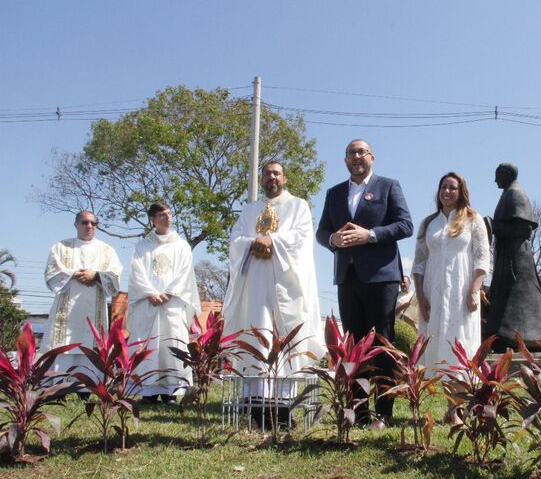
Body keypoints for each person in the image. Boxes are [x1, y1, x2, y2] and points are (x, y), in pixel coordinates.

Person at [316, 139, 413, 428]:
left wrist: (369, 235)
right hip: (347, 277)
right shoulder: (334, 194)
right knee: (354, 346)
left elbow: (405, 225)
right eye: (350, 153)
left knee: (383, 344)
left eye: (361, 152)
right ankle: (358, 411)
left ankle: (383, 412)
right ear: (345, 160)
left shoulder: (389, 186)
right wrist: (332, 240)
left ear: (372, 156)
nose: (356, 157)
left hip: (382, 277)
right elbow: (322, 230)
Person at [223, 161, 325, 379]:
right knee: (255, 329)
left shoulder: (299, 206)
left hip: (286, 283)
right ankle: (255, 395)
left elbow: (302, 237)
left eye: (276, 173)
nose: (272, 177)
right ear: (262, 179)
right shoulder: (250, 210)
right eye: (267, 173)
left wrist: (272, 241)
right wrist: (253, 243)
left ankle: (285, 396)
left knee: (287, 332)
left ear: (284, 178)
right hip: (256, 283)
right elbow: (235, 240)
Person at [412, 172, 489, 375]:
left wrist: (474, 290)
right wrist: (420, 297)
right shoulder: (428, 223)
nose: (447, 191)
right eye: (443, 187)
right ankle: (449, 404)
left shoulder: (473, 219)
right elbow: (419, 262)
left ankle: (460, 402)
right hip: (433, 293)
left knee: (460, 345)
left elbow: (483, 258)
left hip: (462, 291)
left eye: (452, 188)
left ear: (461, 192)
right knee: (436, 344)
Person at [127, 203, 200, 404]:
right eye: (162, 215)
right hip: (148, 303)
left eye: (169, 213)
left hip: (172, 303)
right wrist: (150, 292)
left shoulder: (181, 245)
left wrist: (169, 293)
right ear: (153, 219)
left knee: (172, 343)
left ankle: (171, 391)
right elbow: (136, 272)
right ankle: (147, 391)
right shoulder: (143, 245)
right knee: (148, 344)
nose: (168, 217)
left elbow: (185, 273)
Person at [484, 163, 541, 350]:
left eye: (497, 176)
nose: (495, 180)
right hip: (507, 255)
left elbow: (524, 228)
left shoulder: (515, 193)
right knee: (505, 296)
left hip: (517, 258)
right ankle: (502, 336)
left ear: (507, 174)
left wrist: (495, 227)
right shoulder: (507, 193)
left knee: (524, 295)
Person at [41, 211, 122, 379]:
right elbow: (51, 272)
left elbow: (115, 276)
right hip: (66, 306)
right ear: (76, 224)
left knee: (91, 342)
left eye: (93, 223)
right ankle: (58, 382)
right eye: (85, 222)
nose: (90, 226)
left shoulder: (107, 250)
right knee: (64, 343)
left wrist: (97, 275)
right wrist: (73, 273)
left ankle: (88, 384)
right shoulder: (61, 247)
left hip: (94, 305)